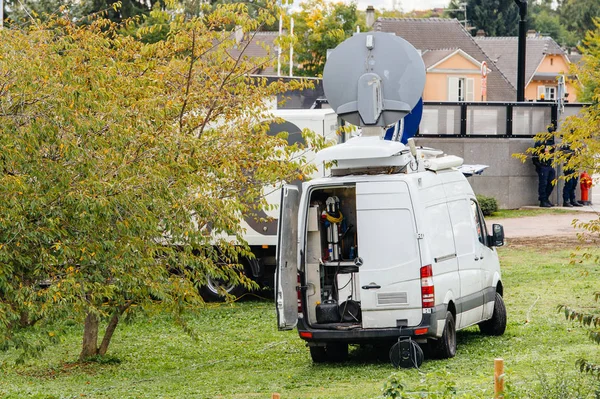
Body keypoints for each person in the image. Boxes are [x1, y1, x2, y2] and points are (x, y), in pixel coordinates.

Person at [532, 127, 556, 208]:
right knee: (543, 183)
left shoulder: (551, 141)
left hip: (549, 164)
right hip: (542, 165)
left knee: (552, 181)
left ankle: (546, 198)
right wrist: (538, 164)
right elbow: (535, 155)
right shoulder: (540, 142)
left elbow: (552, 152)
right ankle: (543, 200)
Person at [561, 142, 583, 207]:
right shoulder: (566, 143)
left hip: (575, 166)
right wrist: (573, 152)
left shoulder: (577, 143)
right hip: (568, 166)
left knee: (574, 183)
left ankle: (572, 200)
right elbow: (563, 153)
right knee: (569, 183)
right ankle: (566, 200)